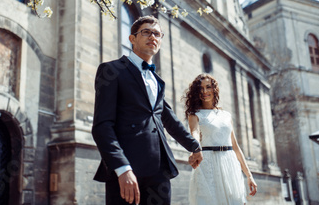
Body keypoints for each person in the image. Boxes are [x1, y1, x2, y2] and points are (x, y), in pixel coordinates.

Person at [92, 15, 203, 205]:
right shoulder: (111, 70)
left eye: (157, 34)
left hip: (159, 169)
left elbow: (169, 119)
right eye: (146, 32)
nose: (153, 37)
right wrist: (122, 168)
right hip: (127, 167)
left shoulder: (157, 81)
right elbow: (102, 126)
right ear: (132, 38)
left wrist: (194, 146)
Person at [183, 74, 257, 205]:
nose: (205, 91)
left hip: (229, 164)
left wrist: (249, 175)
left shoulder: (226, 115)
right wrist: (194, 149)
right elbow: (194, 132)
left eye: (208, 87)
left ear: (214, 89)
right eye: (200, 89)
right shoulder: (194, 115)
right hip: (208, 164)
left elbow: (235, 146)